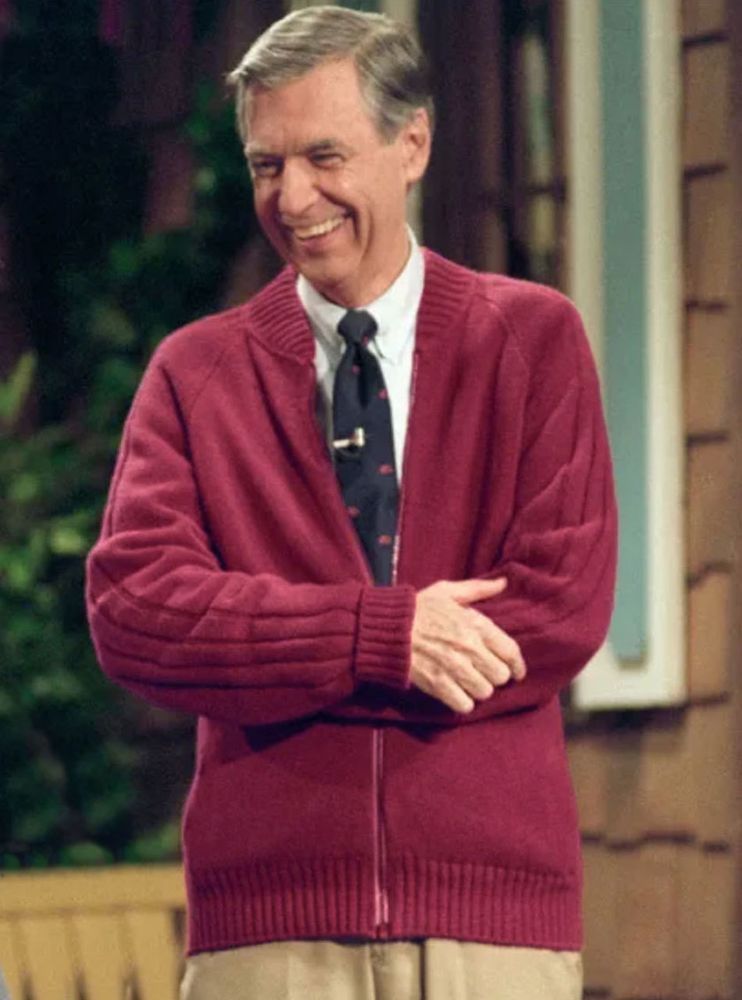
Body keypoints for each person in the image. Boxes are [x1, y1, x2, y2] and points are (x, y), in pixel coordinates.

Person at [86, 6, 617, 999]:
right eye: (265, 164)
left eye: (323, 155)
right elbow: (137, 613)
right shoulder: (194, 374)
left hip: (492, 934)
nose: (292, 198)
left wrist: (269, 651)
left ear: (410, 142)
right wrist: (379, 636)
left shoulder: (535, 341)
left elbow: (559, 607)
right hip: (266, 938)